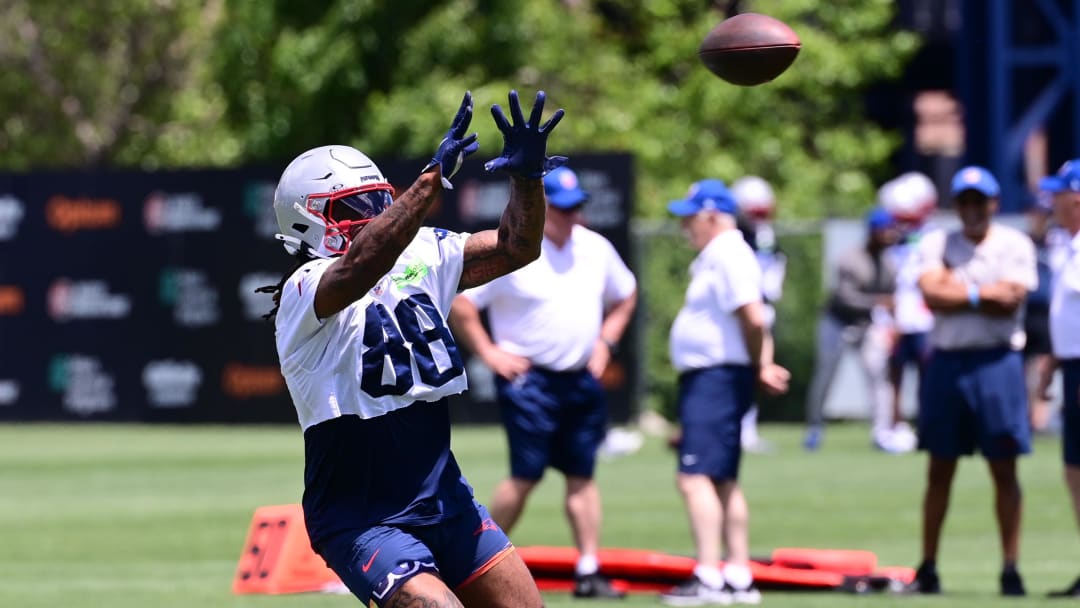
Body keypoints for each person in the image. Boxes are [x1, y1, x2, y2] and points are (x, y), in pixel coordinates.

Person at [260, 90, 566, 608]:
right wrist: (429, 182)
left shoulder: (421, 252)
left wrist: (527, 179)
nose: (374, 214)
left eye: (379, 199)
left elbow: (519, 246)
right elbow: (358, 269)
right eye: (354, 207)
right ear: (306, 220)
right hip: (363, 516)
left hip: (445, 495)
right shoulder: (304, 289)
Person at [448, 164, 637, 600]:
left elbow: (626, 293)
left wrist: (607, 341)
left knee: (582, 475)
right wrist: (490, 352)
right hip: (529, 381)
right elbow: (462, 304)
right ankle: (471, 564)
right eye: (563, 209)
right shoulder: (515, 251)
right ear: (541, 206)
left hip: (579, 378)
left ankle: (589, 570)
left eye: (577, 208)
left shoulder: (595, 248)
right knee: (525, 476)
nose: (572, 217)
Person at [907, 166, 1036, 597]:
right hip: (948, 361)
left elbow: (1010, 301)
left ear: (993, 204)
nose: (971, 210)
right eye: (964, 201)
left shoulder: (1013, 243)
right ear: (956, 205)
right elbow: (931, 296)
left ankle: (1011, 567)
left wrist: (956, 287)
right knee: (939, 466)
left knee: (1004, 467)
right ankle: (928, 566)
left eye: (979, 201)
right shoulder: (936, 241)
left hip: (997, 361)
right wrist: (982, 292)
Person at [660, 179, 790, 606]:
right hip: (718, 377)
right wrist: (760, 363)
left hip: (715, 377)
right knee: (722, 481)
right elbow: (757, 318)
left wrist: (760, 364)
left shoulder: (728, 252)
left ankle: (709, 577)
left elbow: (753, 317)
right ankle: (736, 574)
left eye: (690, 218)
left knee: (694, 478)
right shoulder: (725, 253)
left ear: (712, 215)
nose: (685, 228)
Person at [802, 206, 902, 452]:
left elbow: (892, 301)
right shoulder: (851, 259)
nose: (889, 236)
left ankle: (882, 432)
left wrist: (892, 323)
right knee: (825, 376)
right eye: (884, 230)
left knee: (877, 373)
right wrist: (878, 302)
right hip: (837, 323)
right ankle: (814, 427)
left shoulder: (889, 264)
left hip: (866, 325)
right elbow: (847, 298)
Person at [1037, 159, 1080, 597]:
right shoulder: (1067, 243)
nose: (1051, 201)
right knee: (1074, 470)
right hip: (1071, 364)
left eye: (1059, 193)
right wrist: (1051, 364)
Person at [731, 176, 787, 454]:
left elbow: (776, 264)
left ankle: (748, 428)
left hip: (762, 307)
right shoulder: (734, 239)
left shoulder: (767, 236)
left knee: (758, 368)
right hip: (743, 309)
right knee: (742, 368)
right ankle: (739, 426)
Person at [881, 172, 938, 447]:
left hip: (924, 321)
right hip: (899, 321)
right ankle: (896, 426)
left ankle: (928, 427)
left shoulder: (935, 238)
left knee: (930, 380)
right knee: (895, 377)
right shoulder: (894, 243)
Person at [1021, 192, 1057, 433]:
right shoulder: (1023, 242)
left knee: (1044, 364)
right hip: (1025, 311)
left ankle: (1040, 417)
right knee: (1024, 366)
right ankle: (1025, 415)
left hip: (1048, 312)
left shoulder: (1057, 242)